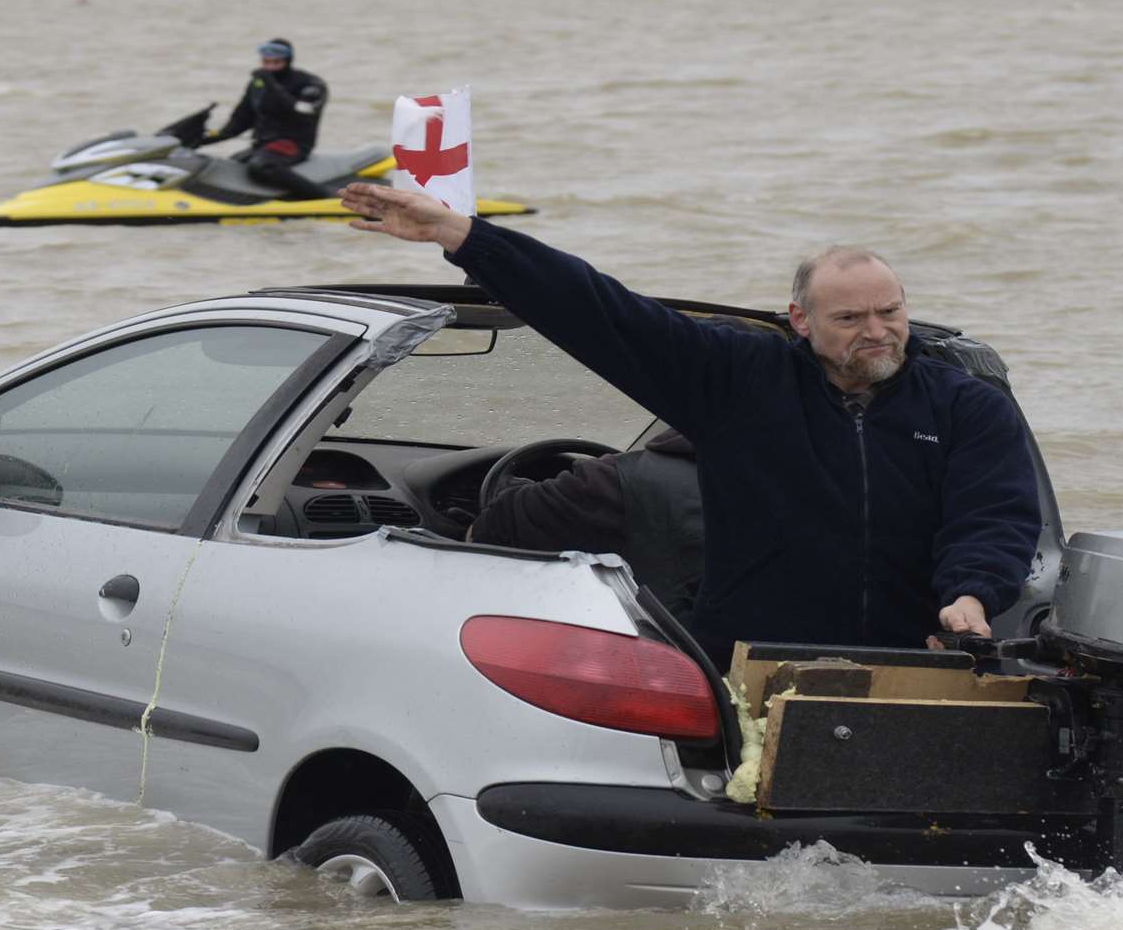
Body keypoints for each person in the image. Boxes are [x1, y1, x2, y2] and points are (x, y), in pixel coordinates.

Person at [339, 182, 1042, 667]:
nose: (878, 332)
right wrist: (460, 235)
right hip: (749, 659)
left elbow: (994, 515)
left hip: (911, 655)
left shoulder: (963, 406)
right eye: (851, 318)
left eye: (889, 312)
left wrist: (969, 598)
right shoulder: (740, 379)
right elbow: (602, 312)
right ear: (801, 320)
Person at [469, 429, 704, 619]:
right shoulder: (727, 482)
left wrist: (461, 529)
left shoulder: (618, 482)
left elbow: (497, 525)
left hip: (652, 661)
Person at [197, 37, 331, 199]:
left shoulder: (310, 84)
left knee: (261, 166)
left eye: (276, 62)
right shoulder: (257, 84)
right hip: (263, 145)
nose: (270, 67)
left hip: (293, 144)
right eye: (266, 62)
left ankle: (327, 198)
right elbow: (238, 123)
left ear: (288, 61)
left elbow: (301, 112)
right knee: (229, 165)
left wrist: (270, 83)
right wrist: (200, 140)